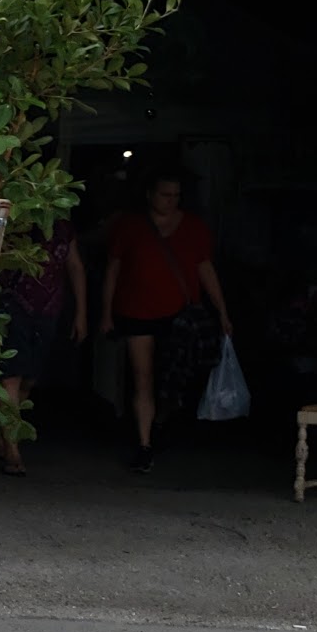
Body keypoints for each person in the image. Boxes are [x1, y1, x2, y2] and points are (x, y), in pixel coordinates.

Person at [99, 175, 232, 472]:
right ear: (150, 194)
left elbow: (205, 269)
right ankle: (145, 443)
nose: (170, 200)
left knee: (176, 379)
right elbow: (113, 270)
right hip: (136, 311)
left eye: (175, 195)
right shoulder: (130, 226)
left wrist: (222, 311)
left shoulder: (194, 228)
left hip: (180, 315)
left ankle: (160, 424)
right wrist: (106, 314)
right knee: (142, 377)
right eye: (165, 194)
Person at [0, 218, 86, 475]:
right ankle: (13, 451)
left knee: (28, 380)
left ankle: (3, 434)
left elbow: (75, 267)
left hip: (47, 310)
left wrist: (81, 313)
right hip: (11, 305)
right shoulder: (13, 221)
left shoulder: (64, 229)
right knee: (10, 376)